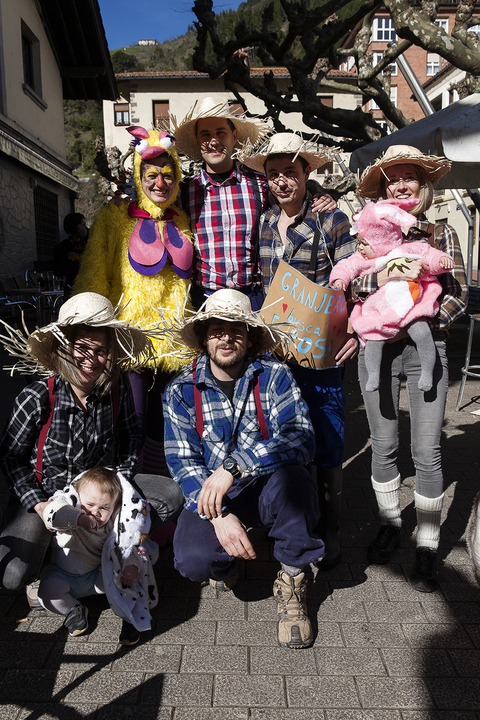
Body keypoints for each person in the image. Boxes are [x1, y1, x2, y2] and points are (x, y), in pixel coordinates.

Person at [163, 289, 323, 649]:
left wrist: (234, 466)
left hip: (266, 485)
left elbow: (301, 439)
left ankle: (293, 580)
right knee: (193, 561)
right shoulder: (180, 390)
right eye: (217, 330)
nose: (226, 338)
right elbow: (182, 462)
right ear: (204, 338)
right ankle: (226, 564)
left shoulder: (275, 376)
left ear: (250, 338)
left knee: (297, 483)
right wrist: (218, 516)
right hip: (211, 494)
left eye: (236, 329)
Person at [0, 291, 184, 603]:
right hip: (48, 495)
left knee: (169, 495)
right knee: (13, 574)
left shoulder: (117, 388)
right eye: (82, 348)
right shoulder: (36, 397)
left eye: (100, 351)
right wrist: (40, 505)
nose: (91, 359)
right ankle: (52, 558)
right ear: (64, 348)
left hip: (99, 491)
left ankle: (110, 549)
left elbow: (130, 436)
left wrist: (120, 486)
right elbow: (11, 458)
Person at [241, 132, 359, 570]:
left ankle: (331, 527)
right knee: (287, 429)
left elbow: (358, 278)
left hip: (322, 346)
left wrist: (356, 330)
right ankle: (299, 521)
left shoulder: (334, 220)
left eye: (290, 172)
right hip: (276, 348)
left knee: (327, 428)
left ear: (307, 172)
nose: (281, 181)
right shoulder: (264, 222)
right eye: (273, 174)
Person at [354, 144, 468, 592]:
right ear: (384, 190)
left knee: (427, 452)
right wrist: (383, 281)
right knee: (383, 445)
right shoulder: (372, 231)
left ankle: (427, 542)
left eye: (410, 177)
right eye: (393, 179)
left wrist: (416, 322)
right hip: (377, 349)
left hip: (426, 349)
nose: (401, 185)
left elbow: (458, 296)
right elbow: (355, 283)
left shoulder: (442, 233)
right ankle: (390, 524)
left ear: (424, 186)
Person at [72, 127, 194, 470]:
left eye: (168, 175)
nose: (160, 183)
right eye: (151, 176)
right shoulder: (114, 217)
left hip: (173, 343)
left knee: (166, 424)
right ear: (139, 178)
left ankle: (159, 489)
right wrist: (88, 333)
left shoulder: (182, 220)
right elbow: (94, 276)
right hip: (130, 341)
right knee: (132, 423)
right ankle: (127, 485)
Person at [173, 98, 335, 310]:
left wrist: (318, 195)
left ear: (234, 136)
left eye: (220, 132)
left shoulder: (260, 184)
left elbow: (294, 200)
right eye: (205, 134)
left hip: (254, 298)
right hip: (204, 298)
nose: (213, 141)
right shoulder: (184, 191)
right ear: (197, 140)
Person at [330, 197, 454, 392]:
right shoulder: (361, 259)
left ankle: (427, 371)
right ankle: (373, 376)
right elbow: (345, 267)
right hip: (379, 311)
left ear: (381, 241)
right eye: (359, 243)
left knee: (422, 333)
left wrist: (442, 260)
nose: (360, 248)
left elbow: (429, 254)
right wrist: (340, 279)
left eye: (365, 243)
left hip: (410, 305)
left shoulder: (406, 248)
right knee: (373, 339)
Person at [39, 467, 158, 645]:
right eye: (90, 505)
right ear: (78, 497)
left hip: (98, 575)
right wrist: (78, 518)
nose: (95, 512)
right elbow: (52, 513)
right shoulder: (69, 506)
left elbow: (128, 543)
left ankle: (131, 617)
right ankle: (73, 609)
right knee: (47, 593)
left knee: (129, 580)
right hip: (63, 576)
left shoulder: (114, 523)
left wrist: (131, 566)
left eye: (103, 508)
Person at [54, 213, 88, 298]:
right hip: (72, 289)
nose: (86, 228)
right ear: (76, 227)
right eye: (83, 225)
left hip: (89, 288)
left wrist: (85, 238)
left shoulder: (88, 244)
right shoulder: (63, 247)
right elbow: (59, 271)